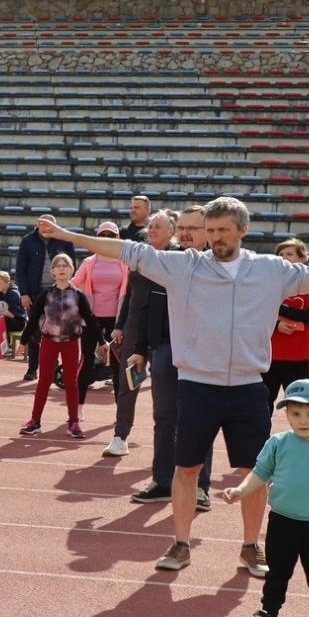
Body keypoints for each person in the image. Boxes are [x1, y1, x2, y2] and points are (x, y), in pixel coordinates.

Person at [37, 196, 309, 574]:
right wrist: (66, 234)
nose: (216, 237)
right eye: (211, 230)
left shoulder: (271, 269)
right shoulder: (183, 266)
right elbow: (124, 249)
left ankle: (252, 546)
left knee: (254, 474)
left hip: (250, 387)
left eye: (223, 230)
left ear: (242, 231)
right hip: (198, 386)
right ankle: (180, 544)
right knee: (186, 469)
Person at [223, 379, 309, 617]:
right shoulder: (278, 443)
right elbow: (259, 473)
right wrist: (240, 490)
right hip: (281, 523)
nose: (303, 420)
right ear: (287, 414)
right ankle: (269, 615)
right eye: (295, 413)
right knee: (277, 573)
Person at [124, 209, 214, 506]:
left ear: (209, 231)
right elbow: (147, 307)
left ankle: (200, 486)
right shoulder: (168, 262)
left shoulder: (221, 266)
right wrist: (139, 349)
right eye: (184, 227)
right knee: (164, 417)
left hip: (204, 352)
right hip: (164, 348)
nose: (187, 233)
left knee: (201, 419)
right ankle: (162, 481)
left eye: (195, 228)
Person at [19, 253, 91, 439]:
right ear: (52, 271)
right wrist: (23, 341)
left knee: (70, 382)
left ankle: (73, 422)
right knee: (43, 380)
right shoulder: (46, 294)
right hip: (49, 341)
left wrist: (101, 342)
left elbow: (90, 319)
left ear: (72, 269)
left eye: (65, 265)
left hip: (71, 342)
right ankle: (35, 421)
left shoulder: (78, 295)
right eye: (57, 265)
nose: (61, 268)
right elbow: (33, 318)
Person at [264, 238, 309, 405]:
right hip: (268, 355)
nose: (284, 257)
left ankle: (302, 432)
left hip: (297, 356)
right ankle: (259, 433)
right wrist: (277, 325)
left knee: (300, 404)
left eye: (290, 254)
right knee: (262, 403)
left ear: (302, 258)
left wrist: (279, 309)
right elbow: (256, 314)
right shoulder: (268, 283)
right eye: (281, 254)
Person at [71, 221, 129, 402]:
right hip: (91, 319)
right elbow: (73, 283)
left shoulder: (125, 263)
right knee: (86, 360)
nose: (106, 239)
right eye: (102, 236)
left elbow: (130, 291)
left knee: (118, 365)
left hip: (117, 321)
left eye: (111, 236)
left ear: (117, 239)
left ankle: (121, 413)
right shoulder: (89, 262)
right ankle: (76, 410)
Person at [14, 215, 76, 380]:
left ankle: (54, 368)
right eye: (43, 225)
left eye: (50, 226)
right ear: (38, 225)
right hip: (35, 294)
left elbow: (73, 266)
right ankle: (32, 368)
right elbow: (20, 270)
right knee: (35, 332)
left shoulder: (64, 239)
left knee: (57, 331)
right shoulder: (27, 241)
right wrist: (24, 293)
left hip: (59, 292)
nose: (46, 228)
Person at [0, 270, 26, 357]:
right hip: (6, 318)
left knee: (3, 319)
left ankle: (7, 347)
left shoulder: (14, 294)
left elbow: (11, 314)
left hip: (18, 322)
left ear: (7, 283)